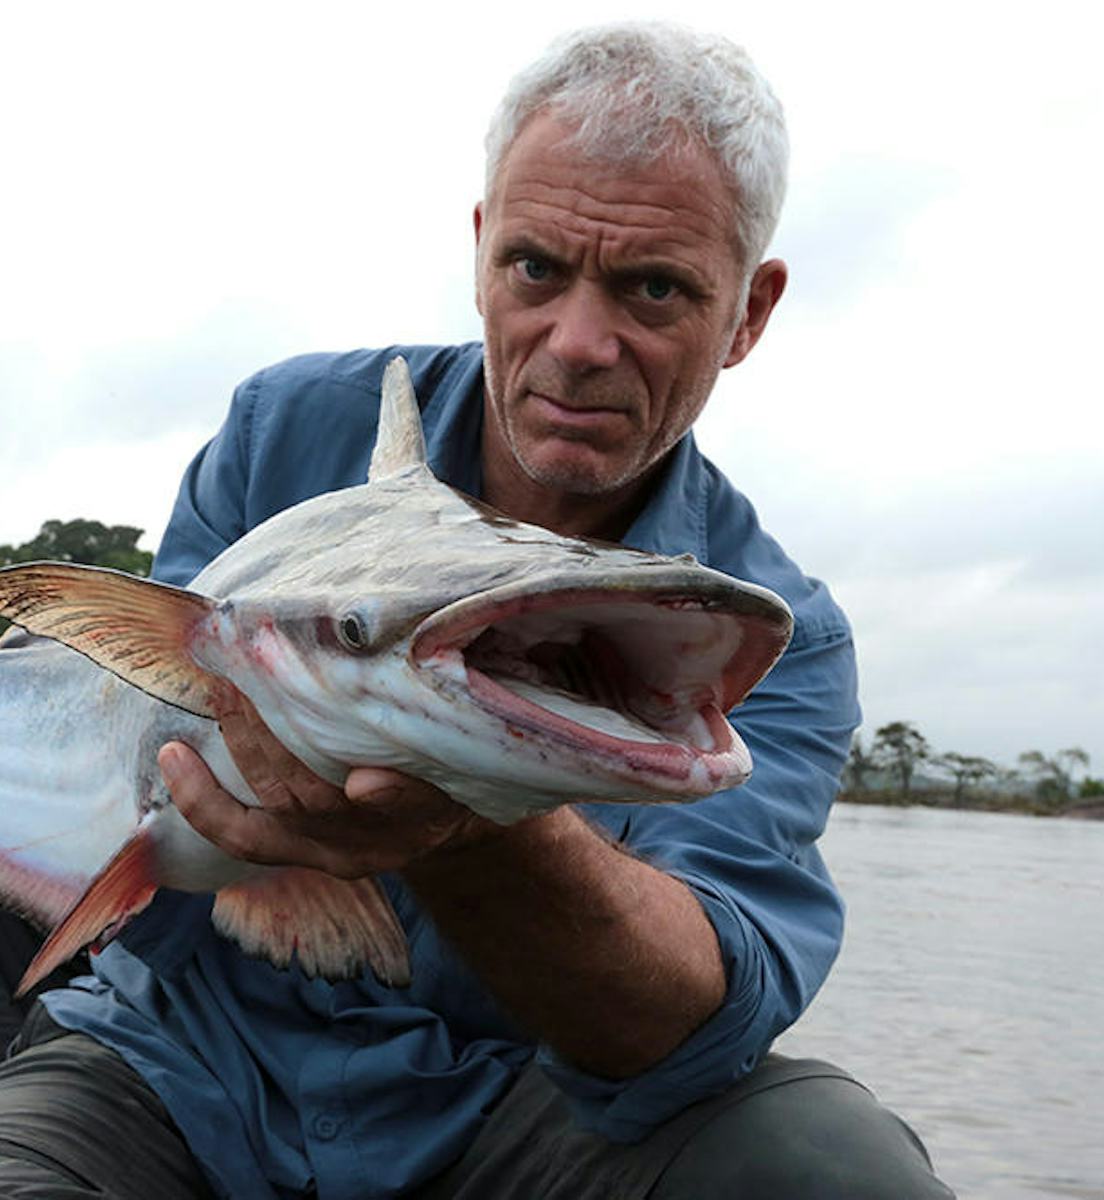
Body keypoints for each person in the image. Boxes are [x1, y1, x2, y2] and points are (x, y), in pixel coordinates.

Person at [0, 22, 955, 1200]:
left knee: (829, 1164)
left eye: (654, 288)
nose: (579, 344)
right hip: (181, 1059)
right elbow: (136, 764)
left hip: (512, 1113)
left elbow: (695, 1018)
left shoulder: (771, 634)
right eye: (535, 269)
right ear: (481, 249)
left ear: (748, 313)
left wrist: (472, 830)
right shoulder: (281, 428)